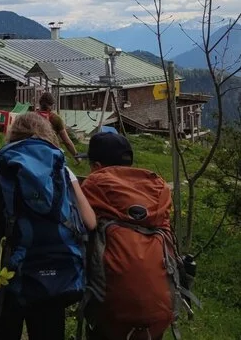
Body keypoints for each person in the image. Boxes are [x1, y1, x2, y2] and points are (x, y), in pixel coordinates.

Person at [0, 113, 97, 340]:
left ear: (13, 133)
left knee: (1, 327)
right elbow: (89, 220)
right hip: (53, 269)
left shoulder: (0, 158)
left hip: (6, 264)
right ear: (47, 133)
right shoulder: (59, 163)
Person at [80, 131, 187, 340]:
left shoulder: (94, 185)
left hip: (112, 315)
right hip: (159, 314)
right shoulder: (156, 189)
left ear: (96, 166)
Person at [34, 91, 81, 163]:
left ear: (40, 103)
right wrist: (77, 157)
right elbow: (67, 141)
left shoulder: (31, 117)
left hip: (34, 153)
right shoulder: (56, 119)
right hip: (51, 154)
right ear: (52, 105)